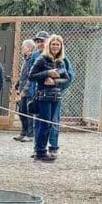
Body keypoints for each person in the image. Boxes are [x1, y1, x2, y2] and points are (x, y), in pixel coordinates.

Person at [27, 34, 74, 162]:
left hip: (56, 96)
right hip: (43, 96)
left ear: (61, 47)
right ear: (49, 46)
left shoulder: (61, 61)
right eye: (53, 44)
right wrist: (47, 73)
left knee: (51, 124)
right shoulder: (42, 59)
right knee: (44, 124)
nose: (55, 47)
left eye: (57, 45)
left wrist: (55, 81)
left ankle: (43, 150)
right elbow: (31, 75)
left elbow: (67, 78)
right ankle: (40, 151)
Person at [12, 39, 37, 142]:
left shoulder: (32, 59)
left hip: (29, 91)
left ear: (29, 48)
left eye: (23, 47)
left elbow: (30, 76)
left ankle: (30, 135)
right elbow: (24, 75)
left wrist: (25, 89)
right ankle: (24, 132)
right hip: (23, 89)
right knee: (21, 111)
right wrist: (18, 84)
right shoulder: (25, 59)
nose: (22, 48)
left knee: (29, 112)